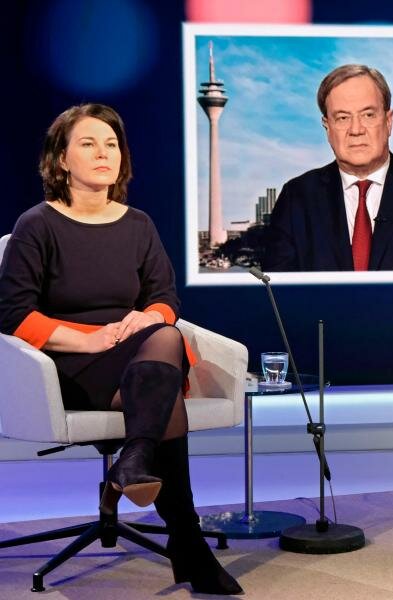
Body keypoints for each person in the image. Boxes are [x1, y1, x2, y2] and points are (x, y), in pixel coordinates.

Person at [0, 104, 242, 595]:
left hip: (137, 359)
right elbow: (12, 313)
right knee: (163, 387)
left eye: (111, 144)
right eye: (88, 143)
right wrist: (86, 338)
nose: (103, 153)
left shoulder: (138, 225)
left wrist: (149, 317)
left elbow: (165, 299)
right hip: (66, 366)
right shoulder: (37, 224)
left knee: (164, 339)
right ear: (61, 159)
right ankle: (185, 538)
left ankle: (135, 463)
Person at [262, 64, 393, 271]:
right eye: (343, 118)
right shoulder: (296, 198)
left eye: (368, 115)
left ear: (389, 121)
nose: (356, 130)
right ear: (327, 127)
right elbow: (273, 289)